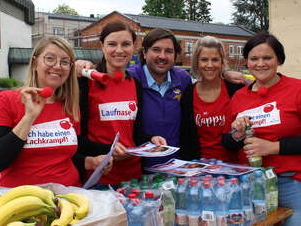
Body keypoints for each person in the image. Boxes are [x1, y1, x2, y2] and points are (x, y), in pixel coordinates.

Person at [75, 28, 246, 169]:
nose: (162, 56)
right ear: (144, 52)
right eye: (156, 50)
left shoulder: (183, 80)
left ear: (175, 55)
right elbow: (107, 78)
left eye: (168, 51)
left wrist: (224, 73)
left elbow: (207, 76)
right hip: (139, 169)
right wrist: (81, 66)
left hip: (178, 167)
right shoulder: (132, 79)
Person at [222, 32, 301, 226]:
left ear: (278, 59)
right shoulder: (239, 97)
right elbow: (227, 143)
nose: (260, 63)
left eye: (267, 57)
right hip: (251, 187)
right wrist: (236, 134)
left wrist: (272, 148)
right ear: (247, 61)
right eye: (254, 58)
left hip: (292, 184)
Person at [0, 36, 112, 188]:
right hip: (22, 200)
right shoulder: (6, 100)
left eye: (64, 62)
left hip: (70, 196)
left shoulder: (69, 105)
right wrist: (29, 117)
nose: (57, 66)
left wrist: (91, 162)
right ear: (35, 63)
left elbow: (63, 157)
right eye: (50, 59)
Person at [78, 20, 166, 188]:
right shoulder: (86, 83)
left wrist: (151, 139)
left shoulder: (136, 84)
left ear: (133, 47)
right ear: (102, 47)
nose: (119, 50)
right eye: (112, 44)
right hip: (101, 180)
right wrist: (108, 149)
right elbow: (78, 139)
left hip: (133, 179)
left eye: (126, 44)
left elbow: (135, 134)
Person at [179, 36, 243, 162]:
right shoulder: (188, 94)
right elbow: (185, 136)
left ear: (222, 63)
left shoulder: (235, 90)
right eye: (204, 60)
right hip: (201, 167)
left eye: (215, 60)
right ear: (196, 62)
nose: (209, 65)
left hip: (234, 168)